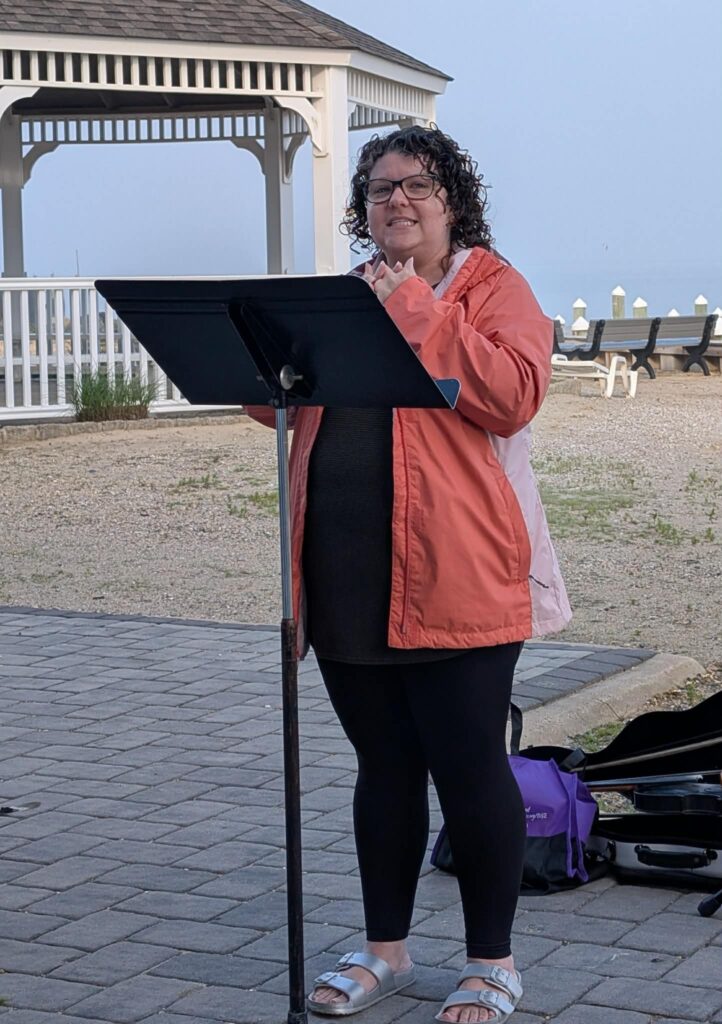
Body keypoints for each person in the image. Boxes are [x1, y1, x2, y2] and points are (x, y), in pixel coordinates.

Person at [247, 125, 571, 1024]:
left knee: (469, 770)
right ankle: (385, 950)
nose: (397, 200)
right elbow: (284, 404)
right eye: (381, 188)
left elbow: (511, 395)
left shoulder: (494, 287)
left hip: (460, 571)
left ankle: (493, 964)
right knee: (383, 767)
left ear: (451, 200)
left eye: (418, 185)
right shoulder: (348, 292)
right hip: (344, 568)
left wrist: (418, 308)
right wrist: (262, 359)